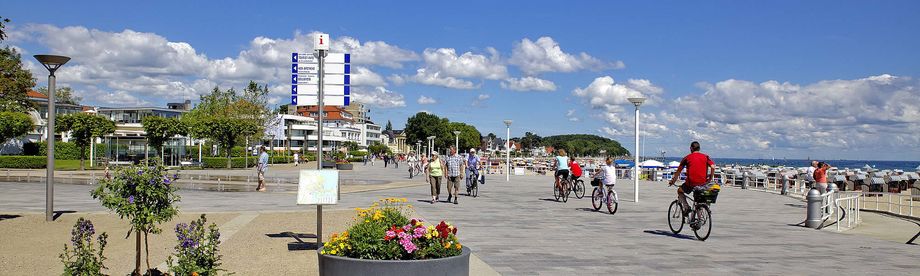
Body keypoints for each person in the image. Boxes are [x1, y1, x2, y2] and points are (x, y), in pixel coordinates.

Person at [669, 141, 715, 215]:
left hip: (691, 183)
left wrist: (673, 181)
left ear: (691, 148)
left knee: (680, 191)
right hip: (703, 183)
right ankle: (700, 213)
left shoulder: (687, 158)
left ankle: (687, 208)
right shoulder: (705, 157)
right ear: (699, 148)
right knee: (699, 198)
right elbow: (713, 166)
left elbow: (678, 172)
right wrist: (710, 178)